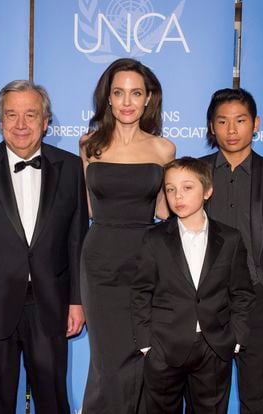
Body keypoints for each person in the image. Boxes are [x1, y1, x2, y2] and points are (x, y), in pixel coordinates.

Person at [0, 80, 88, 414]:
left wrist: (77, 301)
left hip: (51, 306)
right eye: (11, 115)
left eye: (30, 114)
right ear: (0, 121)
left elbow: (77, 241)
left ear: (45, 121)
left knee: (53, 400)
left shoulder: (70, 167)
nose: (21, 125)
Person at [79, 58, 175, 413]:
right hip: (101, 261)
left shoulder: (163, 149)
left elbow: (165, 211)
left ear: (149, 98)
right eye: (118, 92)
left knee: (142, 355)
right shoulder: (89, 145)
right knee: (107, 361)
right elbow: (88, 208)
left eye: (136, 93)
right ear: (107, 97)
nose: (127, 101)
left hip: (147, 261)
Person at [201, 88, 263, 413]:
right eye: (223, 121)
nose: (232, 130)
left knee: (256, 403)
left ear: (255, 123)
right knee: (205, 402)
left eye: (240, 120)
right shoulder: (194, 174)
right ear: (211, 126)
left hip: (261, 302)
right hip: (207, 301)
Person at [133, 157, 255, 414]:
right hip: (164, 348)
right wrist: (146, 345)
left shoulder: (230, 239)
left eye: (187, 187)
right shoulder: (154, 239)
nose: (178, 195)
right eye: (170, 189)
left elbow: (242, 292)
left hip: (214, 347)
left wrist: (235, 339)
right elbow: (141, 292)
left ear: (207, 191)